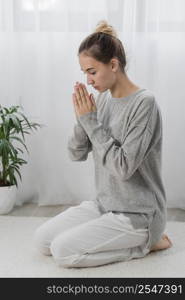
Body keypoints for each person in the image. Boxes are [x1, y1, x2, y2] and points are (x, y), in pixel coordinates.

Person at [34, 20, 172, 268]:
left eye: (92, 71)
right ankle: (133, 239)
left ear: (113, 64)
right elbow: (75, 154)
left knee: (63, 252)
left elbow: (123, 169)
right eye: (84, 72)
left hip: (138, 214)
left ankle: (146, 243)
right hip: (105, 204)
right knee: (42, 241)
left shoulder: (144, 104)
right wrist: (82, 120)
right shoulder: (103, 99)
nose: (87, 80)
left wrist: (92, 122)